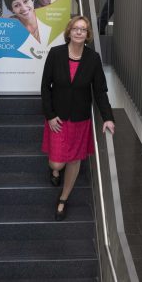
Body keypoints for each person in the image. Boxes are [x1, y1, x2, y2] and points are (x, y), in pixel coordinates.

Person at [41, 15, 114, 221]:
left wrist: (108, 117)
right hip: (58, 119)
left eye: (83, 29)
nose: (79, 32)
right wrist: (50, 115)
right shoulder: (56, 54)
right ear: (69, 32)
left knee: (73, 160)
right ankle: (55, 172)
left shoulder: (93, 59)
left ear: (87, 34)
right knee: (57, 163)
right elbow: (45, 87)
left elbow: (100, 91)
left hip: (80, 119)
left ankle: (63, 198)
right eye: (76, 28)